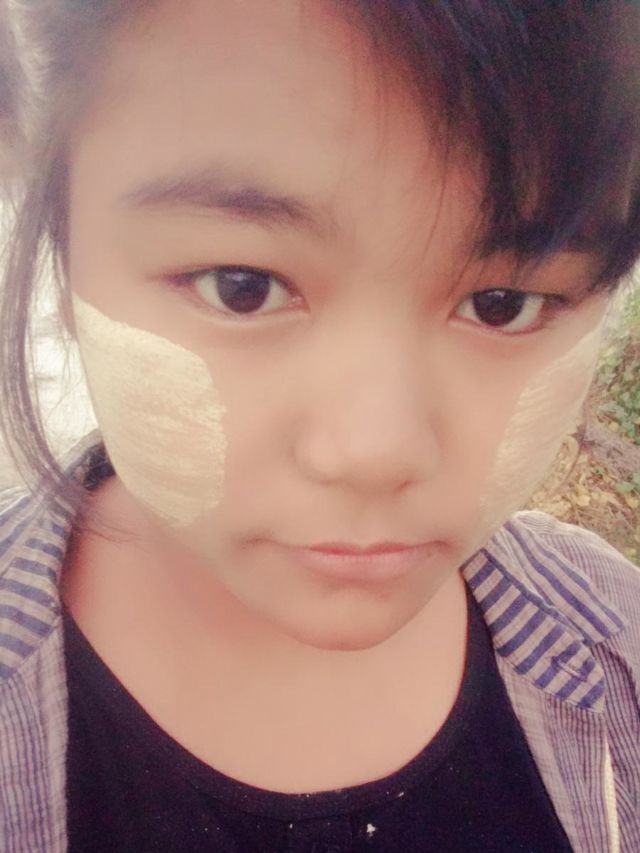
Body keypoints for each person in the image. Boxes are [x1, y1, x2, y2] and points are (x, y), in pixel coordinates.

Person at [0, 0, 639, 850]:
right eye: (242, 287)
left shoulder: (618, 646)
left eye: (503, 303)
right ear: (62, 240)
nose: (376, 451)